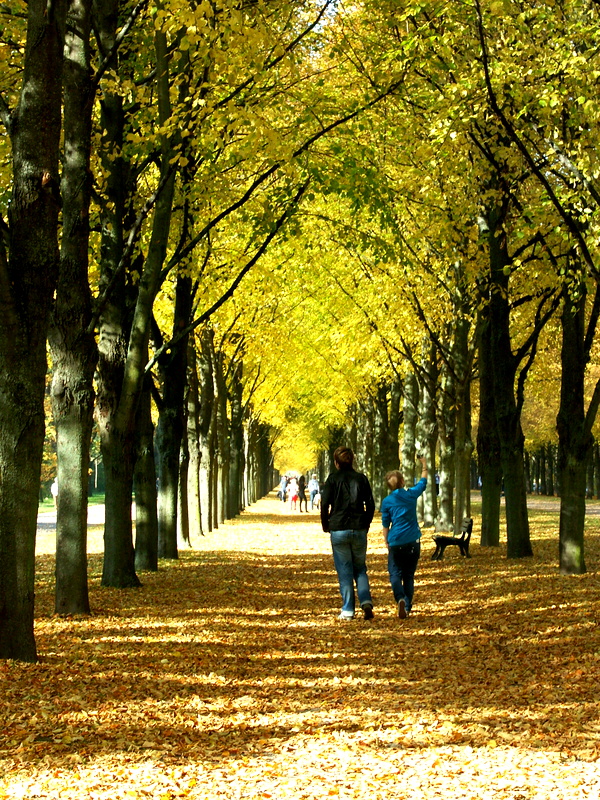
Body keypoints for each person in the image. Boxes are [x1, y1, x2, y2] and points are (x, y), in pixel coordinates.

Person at [320, 446, 375, 620]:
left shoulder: (332, 479)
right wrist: (366, 523)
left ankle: (348, 609)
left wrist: (325, 524)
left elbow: (324, 504)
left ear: (336, 463)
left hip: (338, 528)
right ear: (352, 461)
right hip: (358, 528)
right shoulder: (361, 479)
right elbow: (371, 504)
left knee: (344, 570)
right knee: (360, 568)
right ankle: (366, 601)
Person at [380, 455, 428, 619]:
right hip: (413, 540)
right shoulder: (410, 494)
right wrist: (424, 465)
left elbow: (386, 524)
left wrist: (386, 541)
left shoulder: (387, 502)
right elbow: (423, 484)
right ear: (402, 482)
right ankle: (407, 606)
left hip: (396, 541)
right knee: (408, 575)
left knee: (394, 574)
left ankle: (399, 597)